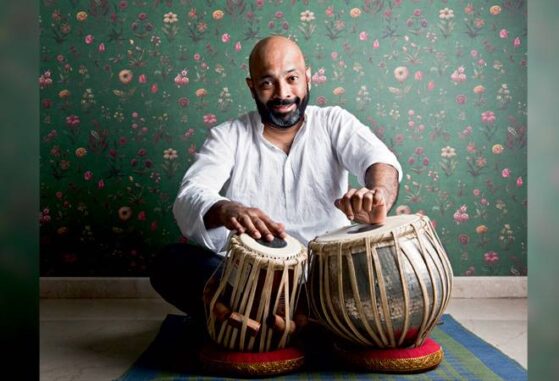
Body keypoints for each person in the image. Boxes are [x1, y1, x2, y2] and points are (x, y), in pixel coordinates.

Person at [150, 36, 402, 327]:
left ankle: (268, 318)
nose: (283, 94)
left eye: (292, 78)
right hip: (250, 279)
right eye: (268, 83)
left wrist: (377, 195)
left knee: (385, 265)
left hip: (324, 279)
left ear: (308, 77)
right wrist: (226, 209)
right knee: (169, 262)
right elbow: (190, 195)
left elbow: (380, 161)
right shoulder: (228, 136)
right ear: (252, 86)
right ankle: (286, 317)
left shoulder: (334, 122)